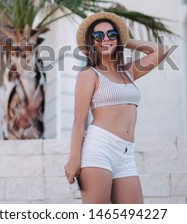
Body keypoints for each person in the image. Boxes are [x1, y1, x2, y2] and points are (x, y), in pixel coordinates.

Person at [64, 11, 169, 204]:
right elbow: (79, 121)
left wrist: (122, 40)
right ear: (91, 41)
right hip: (99, 149)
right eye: (99, 36)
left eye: (111, 34)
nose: (106, 39)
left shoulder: (128, 72)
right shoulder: (89, 74)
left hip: (126, 153)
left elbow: (161, 50)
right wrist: (74, 157)